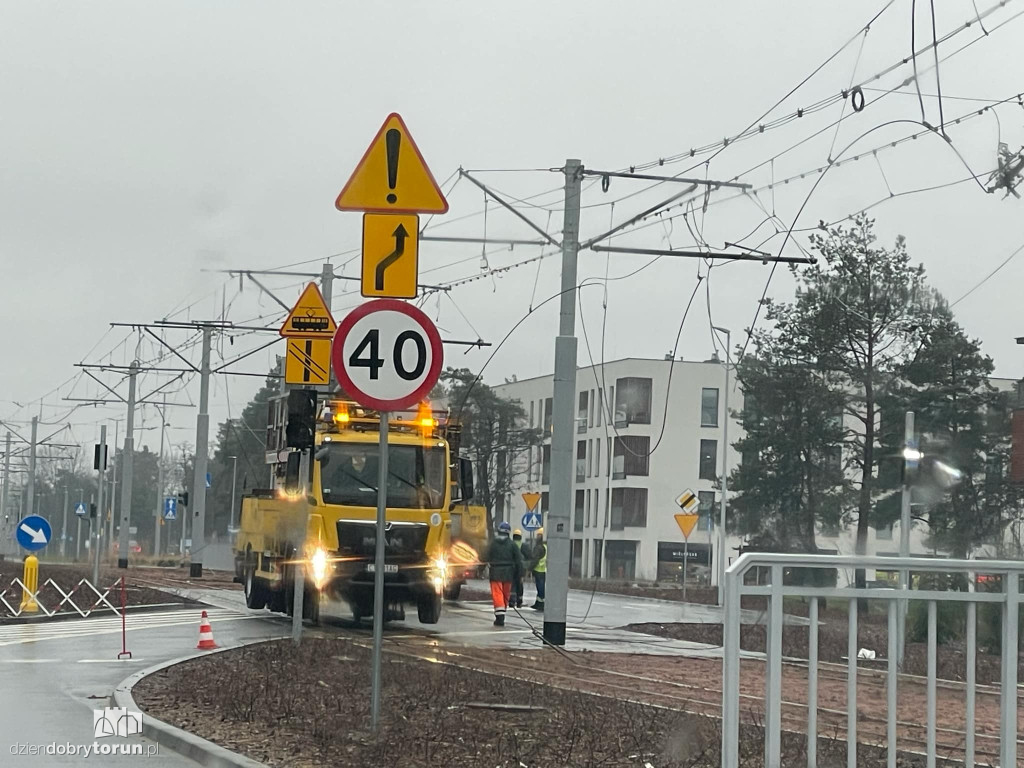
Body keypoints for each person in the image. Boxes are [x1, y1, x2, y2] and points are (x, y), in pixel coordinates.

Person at [485, 521, 523, 627]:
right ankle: (502, 613)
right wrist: (520, 574)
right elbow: (519, 560)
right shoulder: (512, 545)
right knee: (506, 595)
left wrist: (480, 568)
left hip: (495, 573)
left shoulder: (492, 544)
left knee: (497, 595)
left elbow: (484, 556)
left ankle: (499, 617)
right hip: (508, 574)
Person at [529, 528, 547, 611]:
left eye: (538, 535)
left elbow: (535, 559)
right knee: (541, 587)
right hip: (544, 570)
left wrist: (529, 568)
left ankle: (541, 604)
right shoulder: (546, 546)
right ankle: (538, 603)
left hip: (539, 570)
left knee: (540, 588)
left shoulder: (539, 547)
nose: (537, 537)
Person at [510, 529, 525, 608]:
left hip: (512, 568)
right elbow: (529, 557)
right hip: (521, 568)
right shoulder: (523, 545)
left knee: (512, 585)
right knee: (520, 585)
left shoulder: (511, 545)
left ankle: (512, 601)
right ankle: (519, 601)